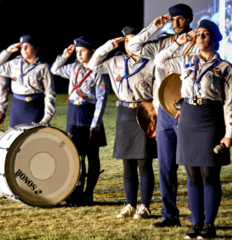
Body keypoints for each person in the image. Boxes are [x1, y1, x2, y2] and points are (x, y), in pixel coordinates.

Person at [154, 19, 232, 239]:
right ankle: (196, 223)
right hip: (189, 118)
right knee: (192, 175)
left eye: (205, 34)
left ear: (215, 38)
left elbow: (230, 103)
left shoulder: (225, 67)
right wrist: (180, 42)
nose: (200, 37)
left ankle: (209, 225)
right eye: (198, 33)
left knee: (209, 174)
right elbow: (160, 60)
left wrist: (229, 133)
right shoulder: (187, 61)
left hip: (211, 120)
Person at [128, 3, 199, 227]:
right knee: (166, 167)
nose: (176, 23)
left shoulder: (198, 42)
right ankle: (170, 215)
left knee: (190, 166)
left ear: (189, 19)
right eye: (173, 19)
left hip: (187, 111)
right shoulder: (162, 42)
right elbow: (135, 46)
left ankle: (196, 215)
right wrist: (154, 26)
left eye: (180, 19)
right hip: (164, 114)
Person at [88, 26, 157, 219]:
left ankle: (144, 206)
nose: (130, 44)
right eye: (127, 41)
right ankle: (130, 205)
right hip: (124, 113)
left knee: (144, 162)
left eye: (134, 40)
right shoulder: (116, 61)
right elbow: (93, 64)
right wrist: (110, 44)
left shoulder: (151, 63)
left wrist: (155, 117)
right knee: (127, 163)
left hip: (145, 112)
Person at [50, 36, 110, 206]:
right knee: (75, 156)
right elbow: (55, 70)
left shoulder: (98, 71)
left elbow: (102, 99)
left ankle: (88, 193)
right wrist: (65, 56)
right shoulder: (73, 68)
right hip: (73, 114)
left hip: (89, 115)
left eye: (82, 51)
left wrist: (95, 124)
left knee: (92, 156)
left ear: (92, 51)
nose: (79, 54)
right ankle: (74, 194)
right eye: (77, 52)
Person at [0, 34, 56, 127]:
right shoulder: (14, 64)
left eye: (27, 46)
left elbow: (50, 93)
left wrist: (47, 117)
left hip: (35, 107)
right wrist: (7, 51)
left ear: (36, 49)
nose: (24, 49)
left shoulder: (43, 67)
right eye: (21, 47)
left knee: (34, 138)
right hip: (17, 107)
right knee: (16, 137)